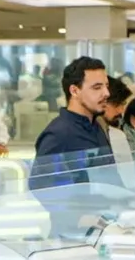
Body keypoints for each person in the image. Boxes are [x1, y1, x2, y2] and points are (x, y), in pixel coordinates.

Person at [29, 56, 113, 192]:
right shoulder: (59, 134)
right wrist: (80, 212)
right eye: (97, 88)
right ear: (74, 91)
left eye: (106, 86)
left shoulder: (96, 127)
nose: (106, 93)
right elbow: (42, 187)